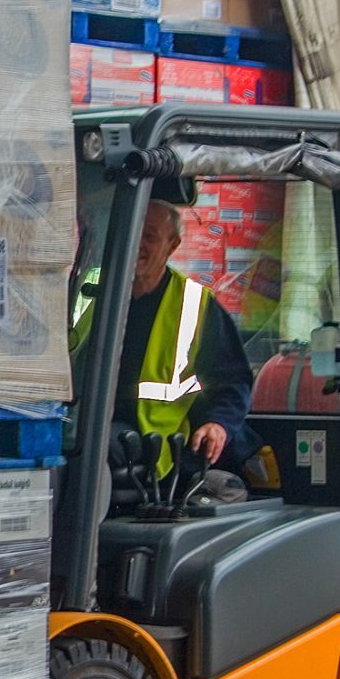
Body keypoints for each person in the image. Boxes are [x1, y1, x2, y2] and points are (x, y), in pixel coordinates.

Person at [71, 199, 256, 482]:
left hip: (151, 435)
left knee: (87, 447)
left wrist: (218, 424)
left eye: (149, 236)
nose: (136, 243)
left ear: (172, 245)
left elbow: (233, 381)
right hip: (83, 418)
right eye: (132, 232)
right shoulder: (92, 291)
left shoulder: (193, 305)